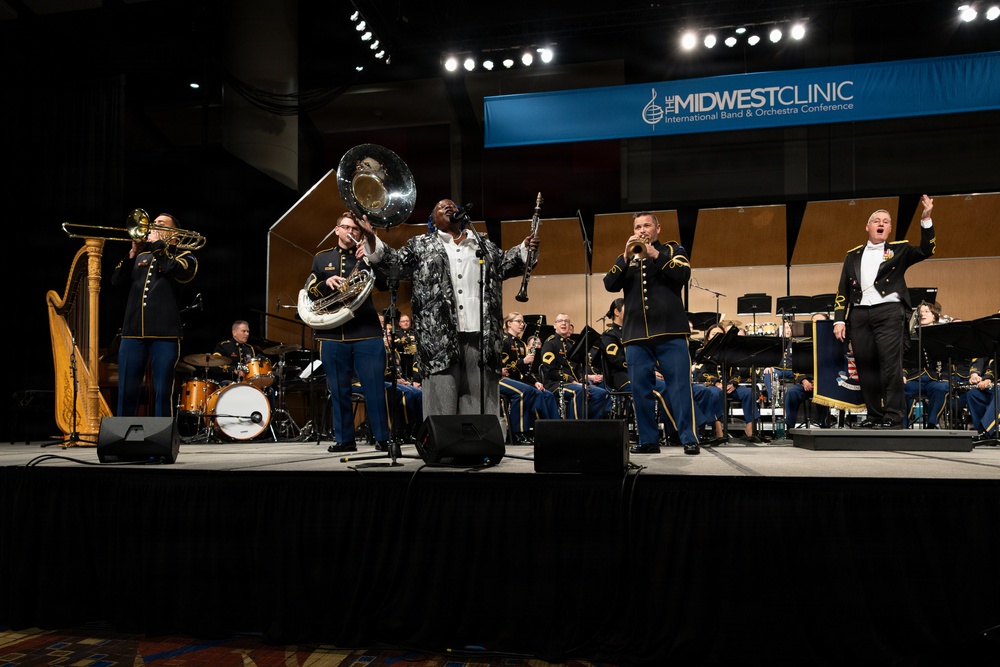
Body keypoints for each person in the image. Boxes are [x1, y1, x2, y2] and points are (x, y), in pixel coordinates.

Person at [360, 199, 538, 419]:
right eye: (440, 208)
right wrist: (370, 237)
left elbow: (505, 264)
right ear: (433, 221)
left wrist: (524, 249)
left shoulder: (482, 244)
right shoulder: (421, 244)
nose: (448, 208)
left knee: (480, 400)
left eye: (452, 206)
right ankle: (442, 451)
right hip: (438, 338)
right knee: (441, 401)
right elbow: (393, 262)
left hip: (480, 335)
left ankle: (477, 450)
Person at [833, 195, 936, 429]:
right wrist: (839, 320)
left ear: (889, 229)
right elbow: (842, 291)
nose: (881, 223)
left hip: (889, 312)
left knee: (890, 365)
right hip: (859, 315)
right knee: (865, 366)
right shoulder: (853, 255)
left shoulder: (899, 251)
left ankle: (893, 415)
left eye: (886, 221)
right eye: (877, 220)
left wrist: (926, 219)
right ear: (868, 227)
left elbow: (927, 250)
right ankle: (874, 415)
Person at [603, 211, 699, 455]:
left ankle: (688, 438)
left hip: (670, 331)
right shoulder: (626, 257)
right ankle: (648, 440)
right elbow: (609, 284)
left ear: (658, 228)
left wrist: (656, 255)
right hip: (636, 334)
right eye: (637, 227)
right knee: (640, 391)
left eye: (646, 225)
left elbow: (683, 275)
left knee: (679, 388)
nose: (642, 230)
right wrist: (625, 258)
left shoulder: (674, 250)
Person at [304, 211, 391, 453]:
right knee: (339, 390)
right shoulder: (322, 259)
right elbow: (310, 288)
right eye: (346, 227)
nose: (351, 232)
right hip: (333, 334)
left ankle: (383, 438)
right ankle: (344, 440)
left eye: (355, 229)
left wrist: (373, 256)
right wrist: (326, 284)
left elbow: (386, 283)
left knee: (374, 388)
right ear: (336, 230)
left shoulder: (368, 255)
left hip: (366, 332)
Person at [112, 213, 198, 417]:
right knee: (126, 390)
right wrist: (132, 253)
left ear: (174, 233)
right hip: (132, 332)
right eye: (154, 223)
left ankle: (161, 445)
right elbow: (116, 281)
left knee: (162, 392)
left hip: (164, 333)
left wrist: (159, 245)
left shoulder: (186, 256)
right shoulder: (142, 256)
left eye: (161, 223)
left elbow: (172, 268)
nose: (153, 226)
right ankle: (125, 442)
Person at [500, 312, 559, 443]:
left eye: (523, 322)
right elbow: (504, 369)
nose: (522, 325)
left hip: (518, 380)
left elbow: (526, 371)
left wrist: (535, 381)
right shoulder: (504, 341)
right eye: (518, 321)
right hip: (502, 379)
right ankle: (518, 432)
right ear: (509, 323)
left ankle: (551, 429)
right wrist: (524, 362)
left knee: (545, 393)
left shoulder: (521, 344)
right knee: (525, 391)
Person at [539, 313, 610, 420]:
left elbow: (578, 369)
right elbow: (550, 370)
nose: (564, 323)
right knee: (580, 391)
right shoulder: (550, 343)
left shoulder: (571, 344)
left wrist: (582, 382)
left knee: (603, 394)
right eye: (560, 321)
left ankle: (591, 424)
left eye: (566, 321)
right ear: (555, 325)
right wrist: (573, 382)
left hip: (575, 384)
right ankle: (575, 427)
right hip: (556, 384)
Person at [211, 320, 263, 384]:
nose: (247, 334)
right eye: (243, 331)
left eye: (248, 331)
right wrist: (233, 369)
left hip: (246, 382)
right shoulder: (223, 346)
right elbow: (214, 366)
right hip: (227, 382)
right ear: (234, 332)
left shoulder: (249, 348)